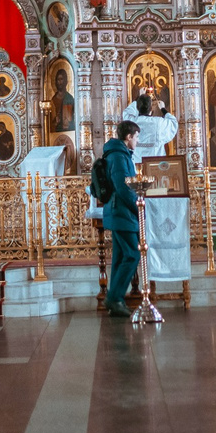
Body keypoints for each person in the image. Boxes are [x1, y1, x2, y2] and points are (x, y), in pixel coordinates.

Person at [98, 119, 141, 318]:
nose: (138, 141)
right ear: (128, 136)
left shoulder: (120, 154)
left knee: (120, 257)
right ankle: (114, 298)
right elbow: (123, 186)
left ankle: (115, 301)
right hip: (121, 212)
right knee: (133, 254)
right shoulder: (118, 156)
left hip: (119, 212)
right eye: (137, 137)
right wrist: (137, 207)